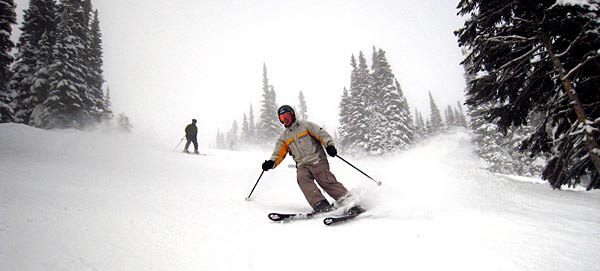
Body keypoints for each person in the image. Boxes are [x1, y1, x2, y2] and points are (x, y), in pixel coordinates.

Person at [261, 105, 363, 214]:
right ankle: (320, 204)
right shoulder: (284, 138)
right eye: (282, 118)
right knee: (302, 179)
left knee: (326, 181)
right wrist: (271, 163)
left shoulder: (306, 126)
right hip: (302, 165)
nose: (285, 119)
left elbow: (322, 134)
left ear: (292, 115)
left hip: (317, 160)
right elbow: (278, 154)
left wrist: (329, 146)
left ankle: (348, 201)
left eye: (286, 116)